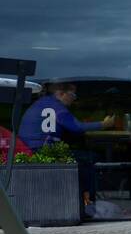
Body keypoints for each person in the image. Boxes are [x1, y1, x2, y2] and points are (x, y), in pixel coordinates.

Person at [18, 80, 113, 213]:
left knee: (83, 157)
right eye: (73, 95)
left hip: (31, 150)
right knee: (90, 159)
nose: (74, 99)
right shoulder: (58, 108)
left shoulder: (41, 104)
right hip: (45, 152)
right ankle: (88, 202)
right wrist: (103, 124)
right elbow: (77, 127)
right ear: (61, 93)